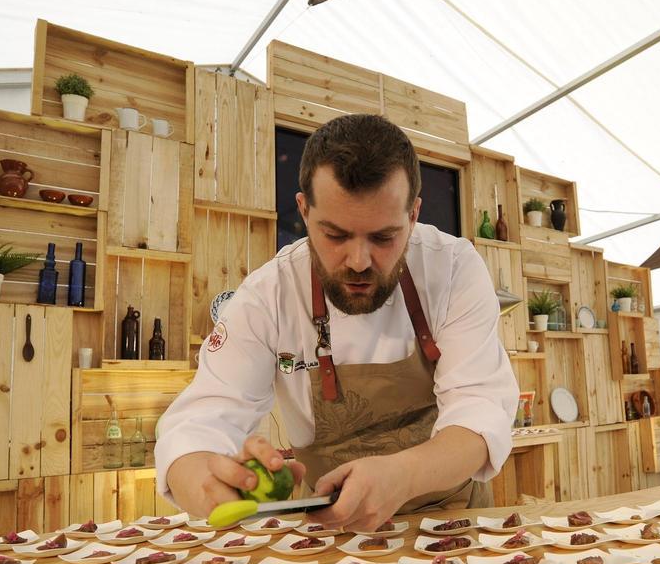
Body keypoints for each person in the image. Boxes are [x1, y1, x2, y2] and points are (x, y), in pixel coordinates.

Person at [155, 113, 518, 532]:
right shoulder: (266, 295)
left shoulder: (453, 267)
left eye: (384, 237)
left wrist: (403, 475)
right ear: (304, 211)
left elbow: (480, 409)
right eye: (335, 235)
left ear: (414, 215)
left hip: (452, 517)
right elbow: (202, 419)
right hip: (330, 528)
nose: (359, 261)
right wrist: (204, 481)